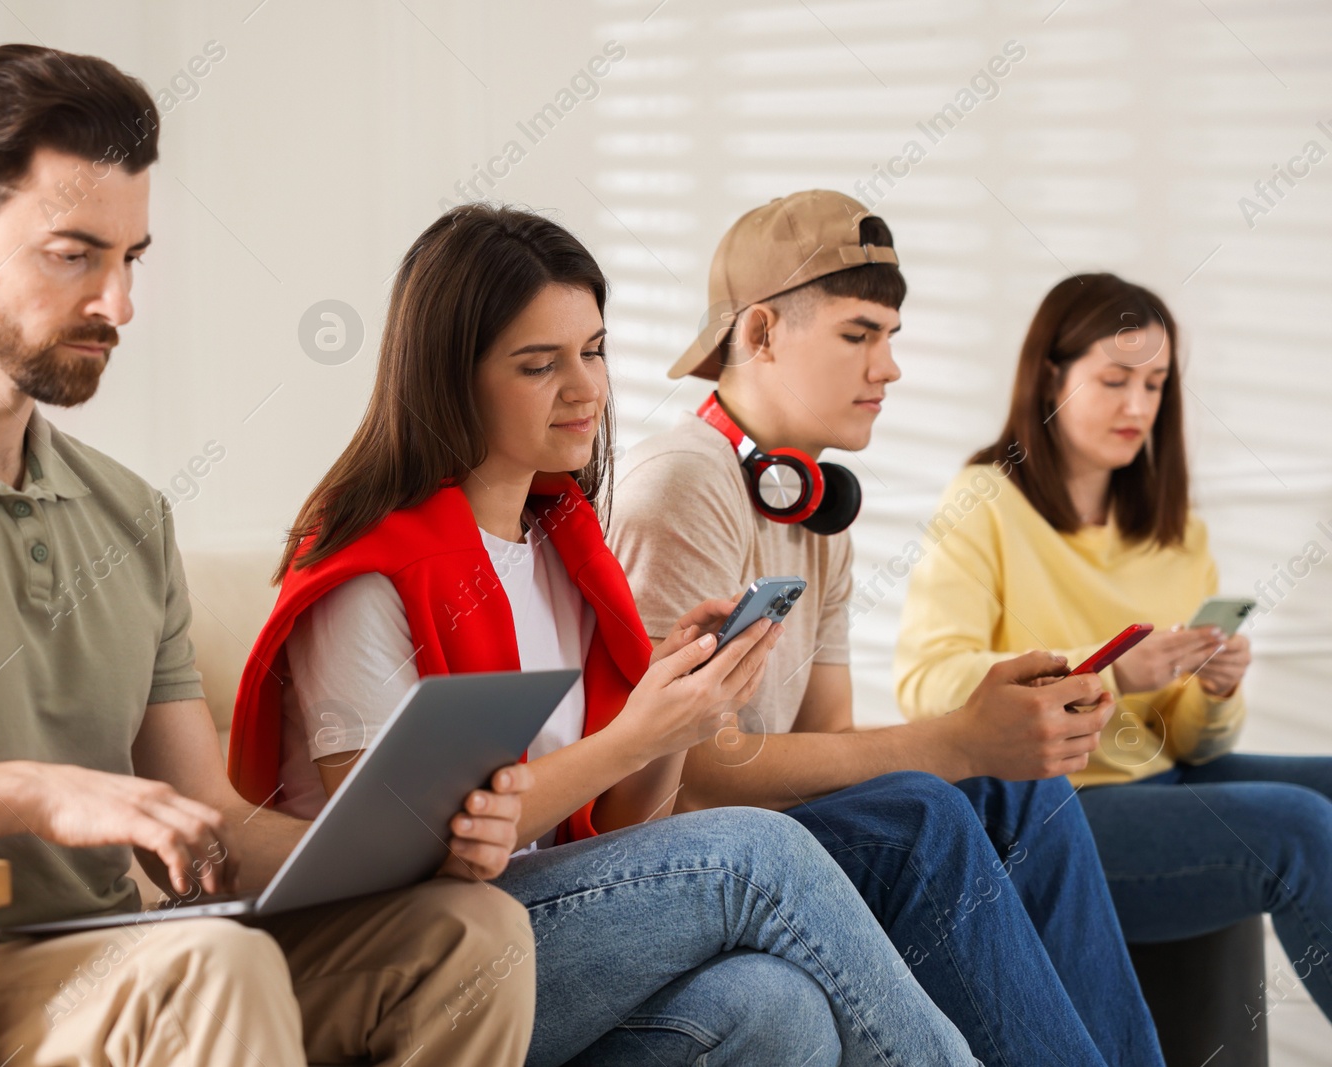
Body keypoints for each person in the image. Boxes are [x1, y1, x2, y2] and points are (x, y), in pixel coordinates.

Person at [0, 45, 539, 1067]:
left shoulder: (126, 516)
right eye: (74, 254)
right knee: (210, 966)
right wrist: (29, 789)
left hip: (105, 961)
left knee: (469, 937)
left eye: (132, 259)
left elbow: (215, 832)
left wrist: (416, 847)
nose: (118, 305)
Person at [230, 203, 980, 1067]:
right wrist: (636, 732)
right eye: (538, 364)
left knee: (777, 1007)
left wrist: (674, 718)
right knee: (758, 851)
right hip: (398, 951)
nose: (586, 388)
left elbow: (623, 817)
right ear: (449, 377)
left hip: (530, 924)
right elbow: (391, 850)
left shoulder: (561, 542)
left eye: (593, 350)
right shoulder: (366, 567)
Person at [607, 191, 1166, 1066]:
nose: (890, 366)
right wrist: (953, 740)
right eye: (860, 334)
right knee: (923, 815)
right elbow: (688, 768)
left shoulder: (815, 505)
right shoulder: (685, 481)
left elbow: (827, 743)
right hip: (681, 852)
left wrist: (988, 741)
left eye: (892, 336)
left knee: (1028, 788)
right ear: (759, 334)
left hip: (766, 826)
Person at [895, 271, 1332, 1029]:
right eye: (1115, 380)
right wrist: (1105, 670)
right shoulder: (987, 503)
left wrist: (1216, 690)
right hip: (1055, 810)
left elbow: (1188, 742)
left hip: (1158, 776)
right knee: (1297, 826)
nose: (1138, 406)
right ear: (1051, 377)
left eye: (1156, 384)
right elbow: (929, 682)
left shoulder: (1173, 530)